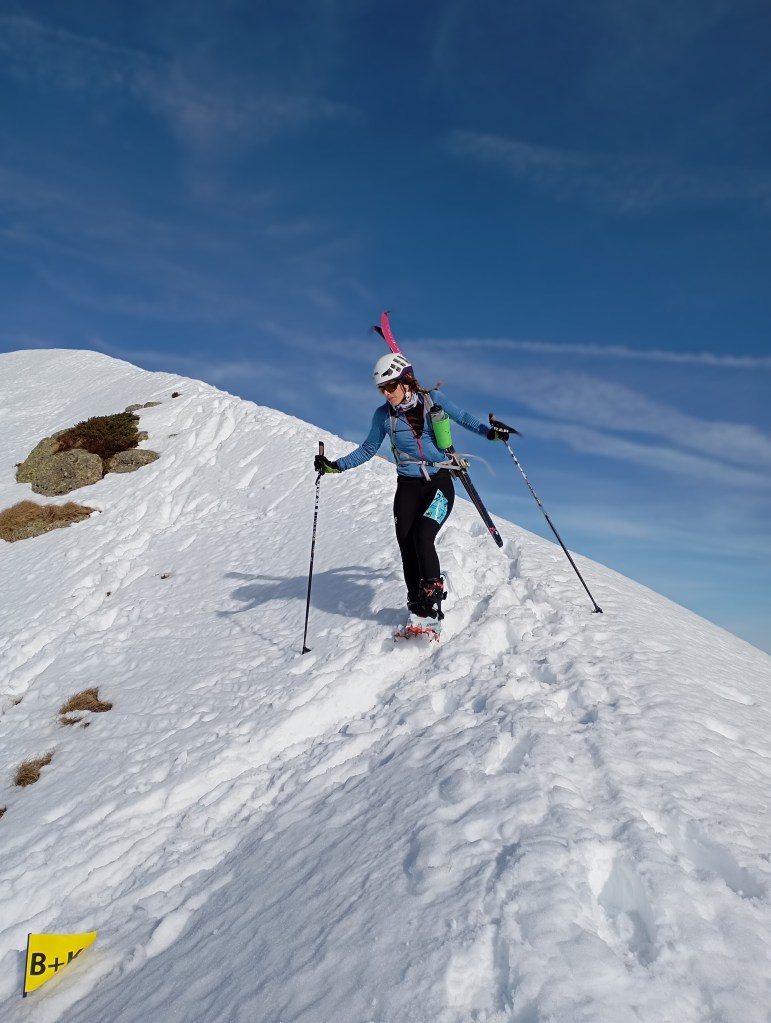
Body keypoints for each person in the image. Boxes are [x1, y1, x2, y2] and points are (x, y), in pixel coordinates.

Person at [313, 353, 509, 633]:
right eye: (382, 389)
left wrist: (490, 433)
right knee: (406, 542)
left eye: (390, 386)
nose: (386, 393)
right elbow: (368, 449)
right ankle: (417, 604)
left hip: (439, 483)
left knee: (422, 536)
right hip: (407, 486)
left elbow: (463, 418)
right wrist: (335, 466)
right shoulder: (383, 416)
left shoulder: (433, 401)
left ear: (406, 381)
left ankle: (431, 604)